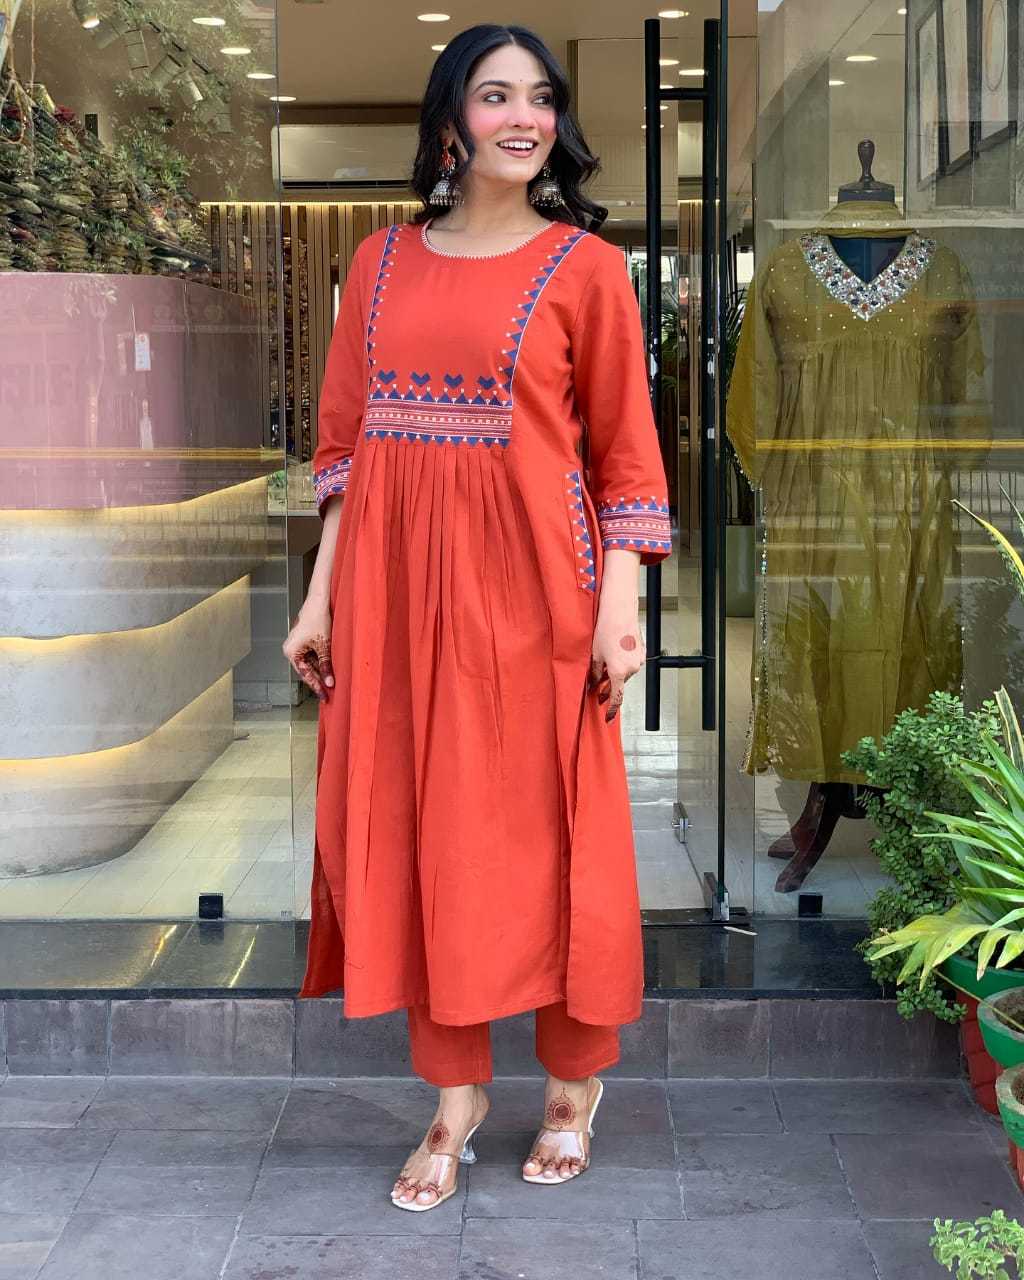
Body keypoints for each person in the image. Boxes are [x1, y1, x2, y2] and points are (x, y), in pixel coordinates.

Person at [283, 22, 672, 1211]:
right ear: (450, 115)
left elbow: (627, 461)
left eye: (540, 97)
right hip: (396, 599)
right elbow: (345, 448)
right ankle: (452, 1095)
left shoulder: (586, 269)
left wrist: (619, 610)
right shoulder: (378, 263)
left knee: (554, 835)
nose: (524, 117)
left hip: (538, 596)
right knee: (421, 832)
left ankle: (572, 1083)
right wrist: (319, 599)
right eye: (496, 94)